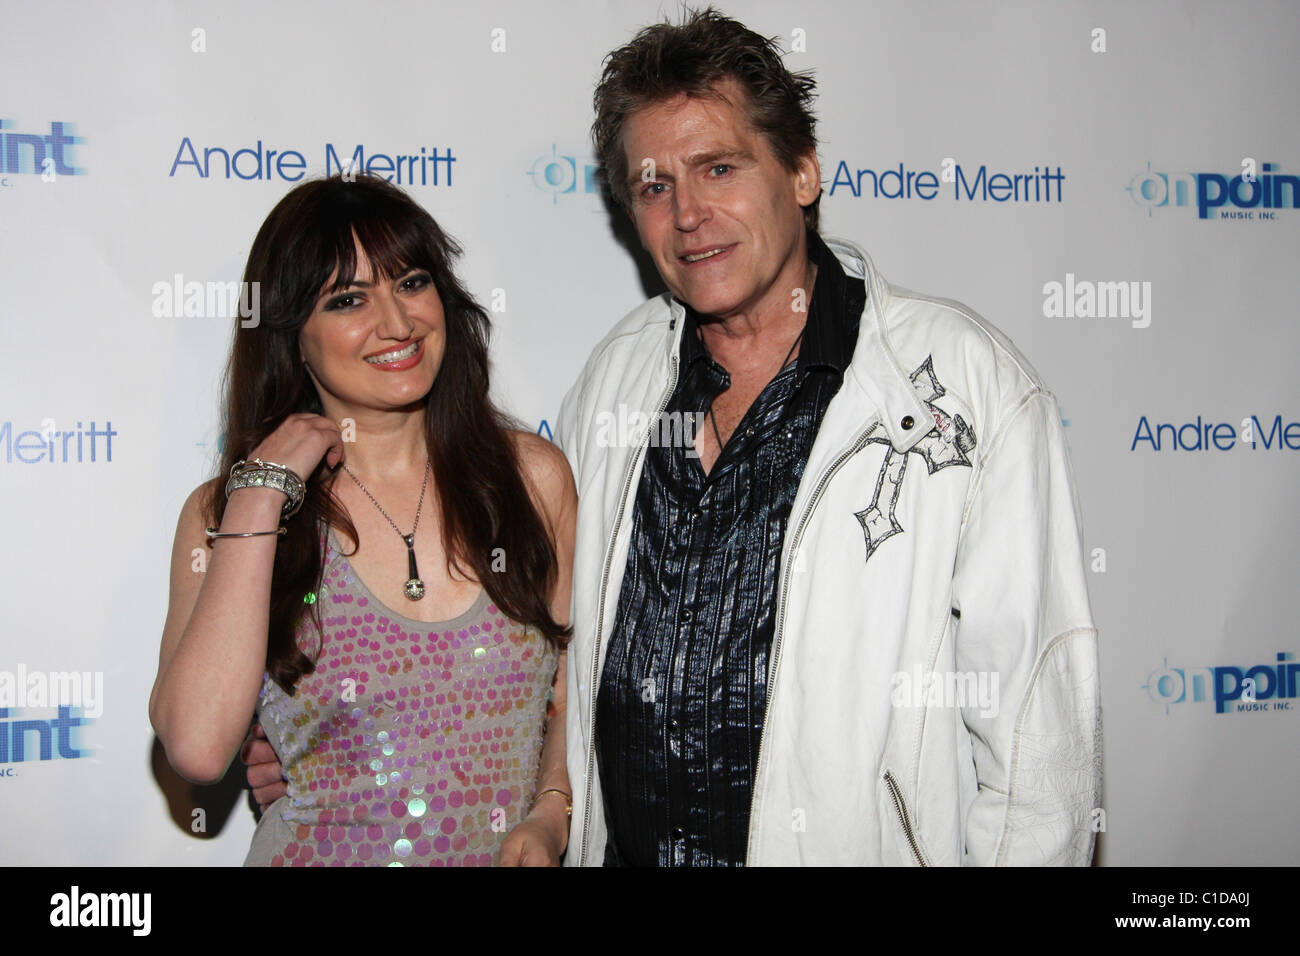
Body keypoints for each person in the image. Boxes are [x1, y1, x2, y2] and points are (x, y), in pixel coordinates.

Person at [554, 7, 1101, 865]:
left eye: (719, 167)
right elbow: (546, 636)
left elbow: (1037, 747)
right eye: (655, 185)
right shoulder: (615, 380)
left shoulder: (968, 387)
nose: (688, 213)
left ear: (802, 172)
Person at [149, 173, 576, 867]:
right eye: (348, 299)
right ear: (294, 337)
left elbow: (572, 694)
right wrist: (261, 494)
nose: (398, 323)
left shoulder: (532, 480)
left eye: (410, 282)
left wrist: (552, 810)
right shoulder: (223, 516)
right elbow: (196, 747)